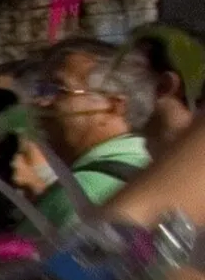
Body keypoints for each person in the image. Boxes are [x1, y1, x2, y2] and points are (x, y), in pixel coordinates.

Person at [28, 37, 155, 227]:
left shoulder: (80, 196)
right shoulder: (155, 166)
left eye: (58, 90)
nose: (40, 102)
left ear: (113, 107)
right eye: (41, 90)